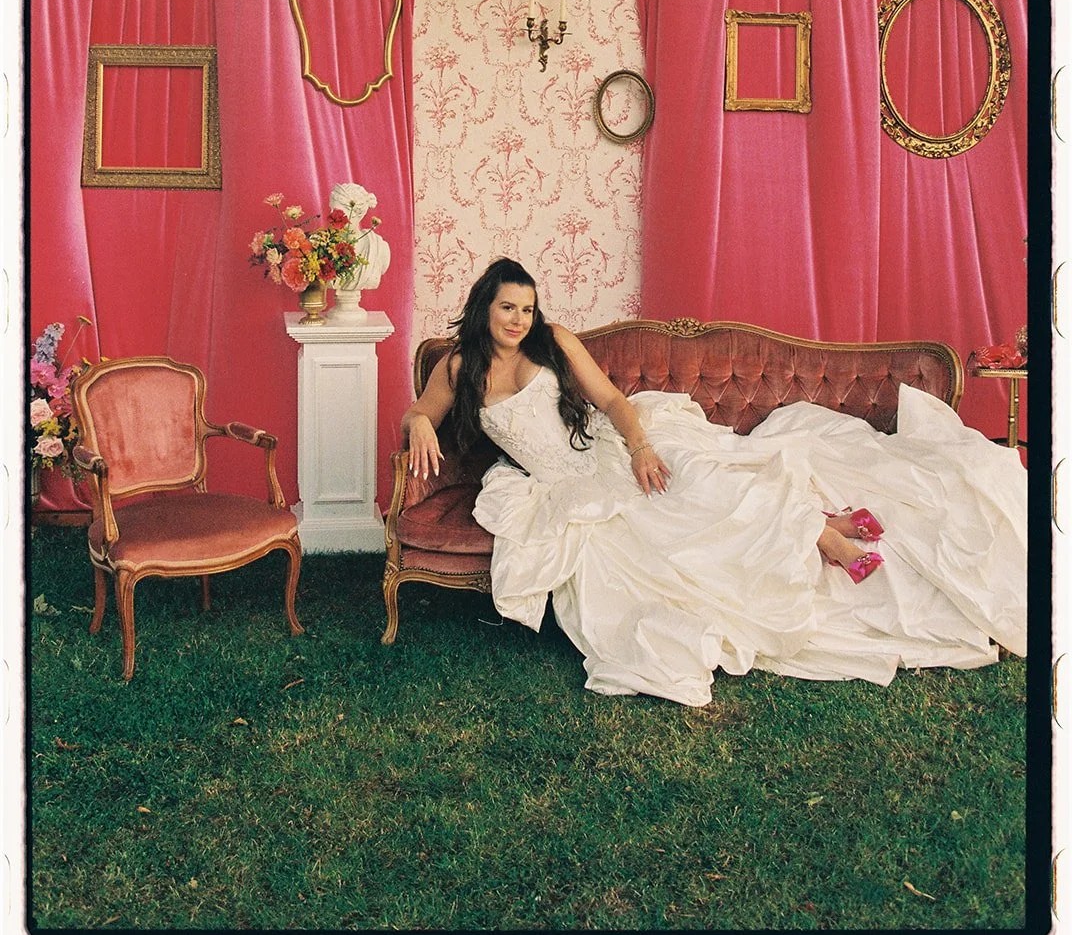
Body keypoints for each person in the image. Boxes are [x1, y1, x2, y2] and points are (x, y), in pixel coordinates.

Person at [402, 259, 1027, 706]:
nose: (519, 319)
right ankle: (819, 529)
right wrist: (422, 424)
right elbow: (418, 413)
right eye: (507, 307)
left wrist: (641, 448)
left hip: (616, 449)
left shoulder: (554, 343)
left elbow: (613, 401)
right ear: (485, 307)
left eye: (527, 307)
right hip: (561, 487)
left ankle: (820, 532)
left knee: (705, 482)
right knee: (661, 536)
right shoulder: (458, 367)